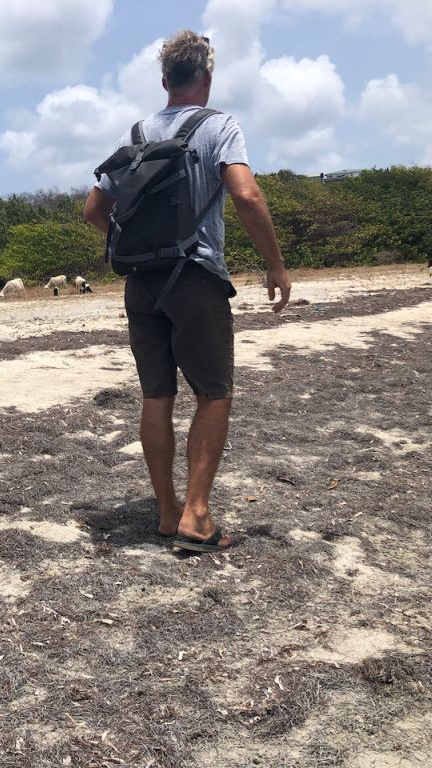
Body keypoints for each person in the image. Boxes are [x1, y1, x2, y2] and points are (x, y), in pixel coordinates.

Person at [83, 30, 291, 552]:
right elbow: (246, 195)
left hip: (141, 283)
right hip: (195, 278)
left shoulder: (135, 134)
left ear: (165, 81)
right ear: (207, 77)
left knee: (156, 395)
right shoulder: (219, 126)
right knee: (213, 392)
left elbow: (93, 210)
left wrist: (136, 245)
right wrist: (275, 265)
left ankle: (166, 512)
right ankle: (196, 517)